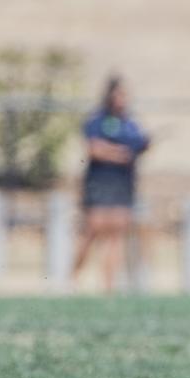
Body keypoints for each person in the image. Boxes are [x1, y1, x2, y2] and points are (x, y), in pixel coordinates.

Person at [72, 76, 150, 292]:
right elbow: (94, 149)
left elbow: (139, 145)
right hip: (100, 181)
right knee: (92, 230)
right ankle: (73, 278)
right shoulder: (97, 121)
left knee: (117, 233)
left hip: (123, 183)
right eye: (120, 94)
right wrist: (119, 153)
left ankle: (108, 286)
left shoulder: (131, 124)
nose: (123, 99)